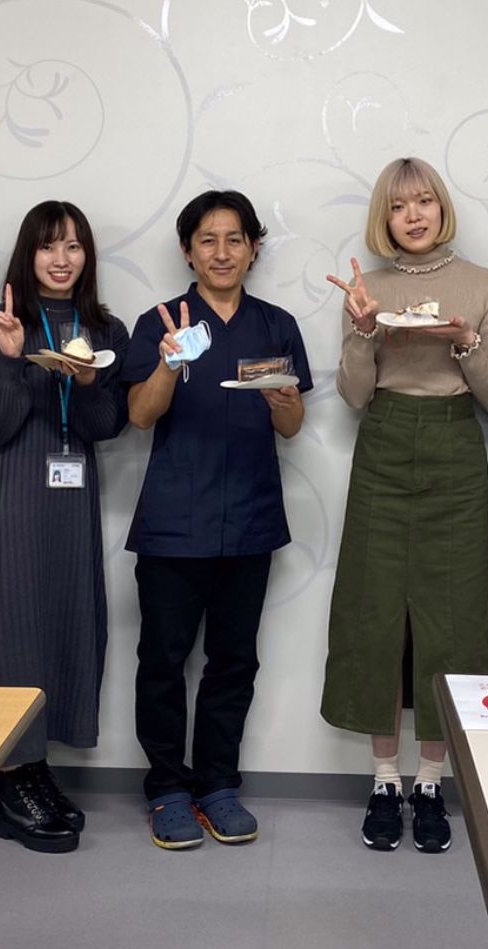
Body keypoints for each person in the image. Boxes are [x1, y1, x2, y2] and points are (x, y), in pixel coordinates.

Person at [321, 156, 488, 855]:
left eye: (424, 201)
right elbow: (354, 395)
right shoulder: (368, 288)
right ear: (385, 217)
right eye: (399, 206)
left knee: (452, 615)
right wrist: (364, 329)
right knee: (374, 610)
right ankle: (383, 779)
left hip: (456, 445)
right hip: (384, 441)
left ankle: (431, 781)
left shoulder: (487, 285)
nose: (413, 216)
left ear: (441, 207)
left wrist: (464, 343)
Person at [124, 189, 311, 851]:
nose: (222, 252)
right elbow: (140, 415)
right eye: (208, 239)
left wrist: (284, 402)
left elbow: (291, 424)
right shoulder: (159, 322)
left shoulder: (276, 325)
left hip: (250, 520)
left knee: (234, 662)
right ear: (188, 251)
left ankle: (218, 786)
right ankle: (168, 790)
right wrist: (170, 362)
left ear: (254, 248)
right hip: (175, 522)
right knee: (163, 661)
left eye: (235, 239)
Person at [0, 200, 130, 854]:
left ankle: (35, 768)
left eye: (74, 246)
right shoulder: (0, 323)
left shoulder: (104, 328)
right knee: (13, 625)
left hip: (73, 499)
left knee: (67, 621)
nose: (61, 259)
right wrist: (9, 359)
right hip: (18, 493)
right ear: (27, 255)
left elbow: (105, 425)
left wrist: (85, 382)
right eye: (48, 246)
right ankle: (9, 780)